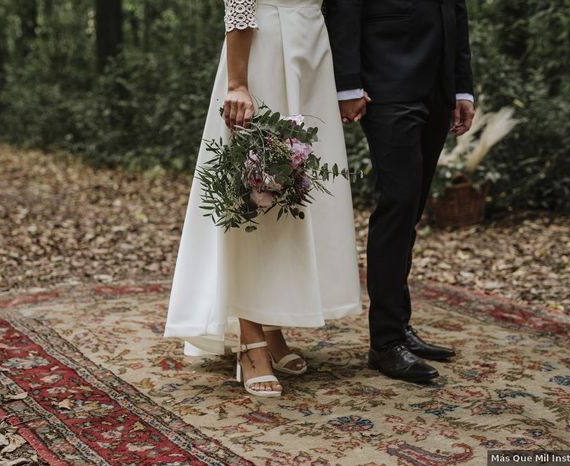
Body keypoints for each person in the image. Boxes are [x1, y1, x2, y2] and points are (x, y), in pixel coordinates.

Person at [164, 0, 362, 397]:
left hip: (312, 52)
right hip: (263, 49)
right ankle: (250, 340)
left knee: (296, 193)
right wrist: (238, 83)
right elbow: (239, 4)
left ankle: (272, 324)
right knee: (256, 191)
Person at [326, 0, 476, 383]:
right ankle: (386, 342)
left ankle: (401, 327)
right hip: (386, 84)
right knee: (398, 203)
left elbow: (455, 11)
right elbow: (343, 8)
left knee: (412, 208)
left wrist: (462, 88)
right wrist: (347, 84)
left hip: (438, 86)